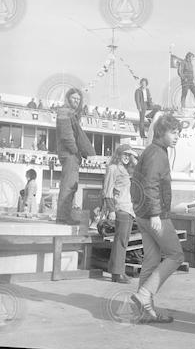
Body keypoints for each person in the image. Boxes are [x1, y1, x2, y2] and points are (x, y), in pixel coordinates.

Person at [130, 113, 184, 323]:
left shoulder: (151, 151)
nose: (177, 137)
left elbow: (137, 184)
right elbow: (151, 183)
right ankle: (144, 295)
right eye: (173, 132)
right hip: (155, 215)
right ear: (161, 132)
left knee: (151, 261)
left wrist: (142, 211)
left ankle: (145, 312)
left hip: (143, 214)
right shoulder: (157, 154)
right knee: (176, 255)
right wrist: (154, 214)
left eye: (179, 133)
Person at [56, 88, 95, 224]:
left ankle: (65, 216)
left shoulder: (70, 113)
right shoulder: (64, 112)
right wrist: (76, 151)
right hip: (69, 154)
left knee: (71, 186)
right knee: (68, 186)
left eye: (78, 99)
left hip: (70, 154)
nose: (76, 101)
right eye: (74, 98)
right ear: (68, 98)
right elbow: (67, 136)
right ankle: (62, 217)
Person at [103, 144, 138, 284]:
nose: (126, 157)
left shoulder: (125, 170)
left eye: (128, 155)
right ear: (119, 155)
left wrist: (134, 159)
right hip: (120, 209)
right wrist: (111, 210)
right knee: (120, 242)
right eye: (125, 154)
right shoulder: (113, 169)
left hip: (128, 209)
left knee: (123, 241)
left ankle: (116, 272)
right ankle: (117, 273)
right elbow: (107, 190)